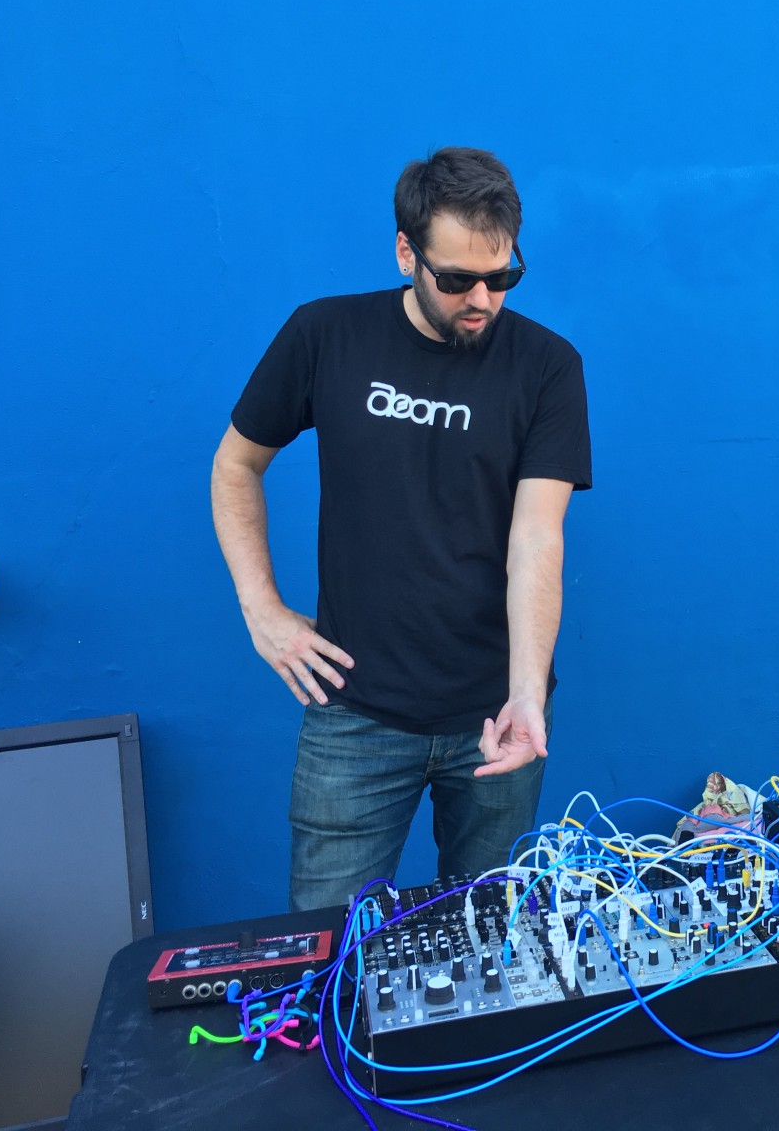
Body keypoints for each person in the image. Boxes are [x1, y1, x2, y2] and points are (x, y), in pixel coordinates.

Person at [211, 147, 591, 910]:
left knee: (492, 945)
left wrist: (525, 696)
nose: (481, 298)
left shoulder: (547, 365)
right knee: (328, 954)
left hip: (495, 712)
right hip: (355, 712)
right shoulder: (326, 335)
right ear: (405, 253)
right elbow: (234, 467)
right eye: (455, 280)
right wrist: (263, 610)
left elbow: (537, 538)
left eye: (502, 276)